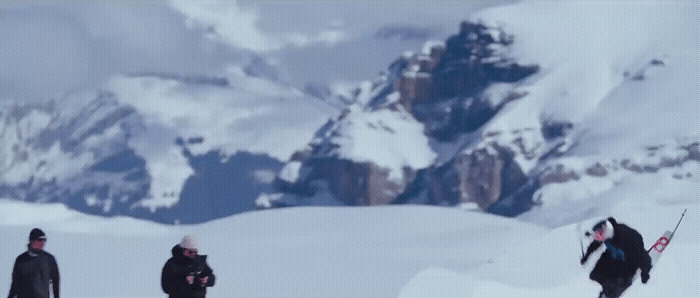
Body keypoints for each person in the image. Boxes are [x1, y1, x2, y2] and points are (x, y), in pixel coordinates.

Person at [581, 217, 652, 298]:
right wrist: (586, 256)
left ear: (606, 229)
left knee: (619, 280)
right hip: (613, 257)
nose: (599, 238)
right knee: (595, 275)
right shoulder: (606, 235)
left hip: (629, 261)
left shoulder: (626, 235)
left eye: (600, 234)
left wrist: (645, 271)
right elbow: (596, 244)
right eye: (598, 235)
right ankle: (607, 290)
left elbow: (640, 254)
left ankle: (614, 291)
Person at [8, 228, 60, 298]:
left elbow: (55, 281)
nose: (42, 242)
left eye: (44, 240)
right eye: (40, 240)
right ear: (32, 241)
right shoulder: (21, 260)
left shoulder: (49, 259)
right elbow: (15, 284)